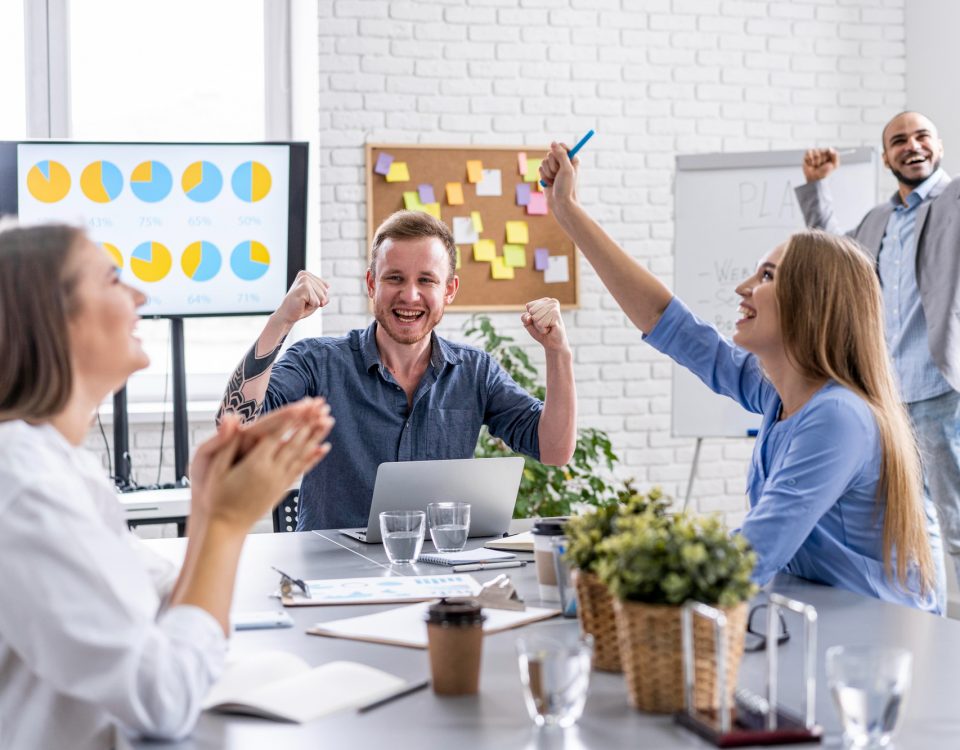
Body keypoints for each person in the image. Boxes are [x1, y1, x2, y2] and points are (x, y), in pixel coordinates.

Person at [538, 143, 939, 612]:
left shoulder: (839, 416)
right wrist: (567, 211)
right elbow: (668, 322)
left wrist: (618, 572)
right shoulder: (779, 394)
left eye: (766, 276)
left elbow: (752, 554)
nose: (742, 288)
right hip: (824, 615)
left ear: (812, 303)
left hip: (880, 634)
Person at [0, 223, 334, 749]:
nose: (140, 295)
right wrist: (226, 523)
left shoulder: (61, 467)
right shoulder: (24, 485)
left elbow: (169, 606)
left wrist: (207, 503)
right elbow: (164, 698)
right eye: (113, 280)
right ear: (53, 318)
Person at [217, 210, 577, 531]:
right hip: (331, 573)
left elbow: (555, 449)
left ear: (449, 289)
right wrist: (281, 320)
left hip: (436, 569)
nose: (410, 295)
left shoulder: (475, 372)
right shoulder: (317, 362)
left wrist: (558, 352)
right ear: (372, 284)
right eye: (395, 278)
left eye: (426, 280)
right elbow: (235, 427)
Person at [797, 111, 960, 602]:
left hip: (941, 391)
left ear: (939, 146)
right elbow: (832, 255)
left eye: (922, 136)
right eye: (899, 141)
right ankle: (931, 619)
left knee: (955, 521)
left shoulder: (953, 201)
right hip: (888, 399)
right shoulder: (878, 221)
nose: (913, 146)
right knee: (913, 524)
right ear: (887, 157)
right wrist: (816, 186)